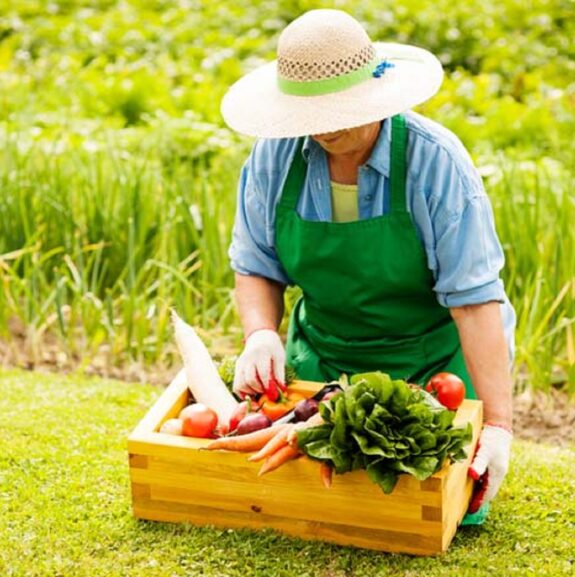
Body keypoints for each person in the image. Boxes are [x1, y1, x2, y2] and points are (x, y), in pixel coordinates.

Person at [220, 9, 515, 522]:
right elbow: (256, 265)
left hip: (431, 374)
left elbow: (474, 301)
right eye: (313, 113)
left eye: (341, 107)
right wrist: (261, 334)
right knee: (304, 504)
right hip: (323, 369)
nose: (326, 127)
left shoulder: (434, 162)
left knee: (433, 510)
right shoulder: (274, 160)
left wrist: (498, 427)